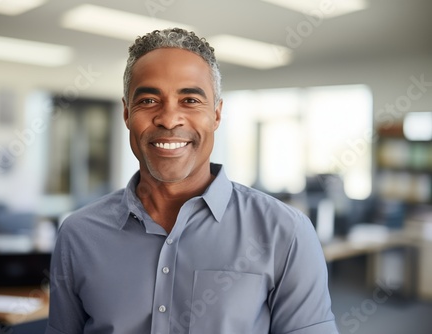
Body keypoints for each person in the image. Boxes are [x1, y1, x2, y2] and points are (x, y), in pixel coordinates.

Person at [45, 27, 339, 334]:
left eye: (189, 100)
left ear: (216, 115)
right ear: (126, 113)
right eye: (148, 100)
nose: (169, 119)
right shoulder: (78, 235)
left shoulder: (285, 233)